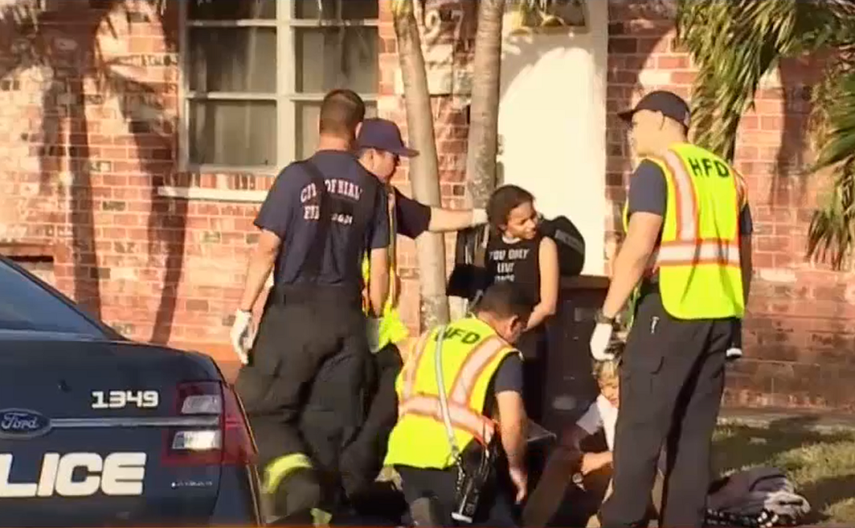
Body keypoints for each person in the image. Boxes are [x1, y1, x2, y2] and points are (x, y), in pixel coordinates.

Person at [589, 90, 754, 528]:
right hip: (718, 317)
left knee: (640, 430)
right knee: (693, 436)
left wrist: (607, 315)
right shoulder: (729, 177)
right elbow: (745, 259)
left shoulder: (658, 169)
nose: (632, 132)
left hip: (670, 311)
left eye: (637, 122)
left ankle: (620, 521)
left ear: (663, 120)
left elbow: (639, 246)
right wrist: (735, 317)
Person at [228, 89, 391, 522]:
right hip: (346, 319)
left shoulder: (295, 178)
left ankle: (295, 494)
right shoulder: (373, 190)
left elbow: (268, 249)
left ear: (319, 124)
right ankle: (318, 508)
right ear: (358, 130)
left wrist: (244, 311)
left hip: (292, 315)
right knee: (329, 424)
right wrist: (373, 321)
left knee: (258, 411)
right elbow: (380, 266)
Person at [339, 117, 490, 501]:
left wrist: (476, 217)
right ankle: (345, 488)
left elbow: (425, 218)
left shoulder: (387, 198)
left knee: (382, 405)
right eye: (394, 157)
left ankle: (354, 487)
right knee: (361, 409)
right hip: (349, 320)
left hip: (378, 325)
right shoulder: (346, 194)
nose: (398, 164)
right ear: (371, 155)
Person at [383, 282, 532, 527]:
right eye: (522, 331)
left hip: (407, 455)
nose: (519, 339)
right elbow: (512, 423)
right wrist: (517, 469)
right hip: (456, 464)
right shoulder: (500, 352)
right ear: (513, 323)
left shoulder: (431, 337)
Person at [523, 358, 664, 528]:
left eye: (613, 386)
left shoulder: (645, 405)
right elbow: (575, 433)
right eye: (602, 387)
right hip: (615, 468)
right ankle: (531, 523)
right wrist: (573, 449)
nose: (608, 393)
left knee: (624, 472)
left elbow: (643, 453)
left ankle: (603, 522)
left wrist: (602, 458)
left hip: (650, 480)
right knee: (561, 457)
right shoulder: (605, 403)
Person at [484, 185, 559, 424]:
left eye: (533, 216)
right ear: (503, 225)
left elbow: (548, 304)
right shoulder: (488, 247)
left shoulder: (543, 245)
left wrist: (515, 331)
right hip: (491, 342)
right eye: (522, 221)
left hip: (528, 341)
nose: (531, 225)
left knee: (526, 413)